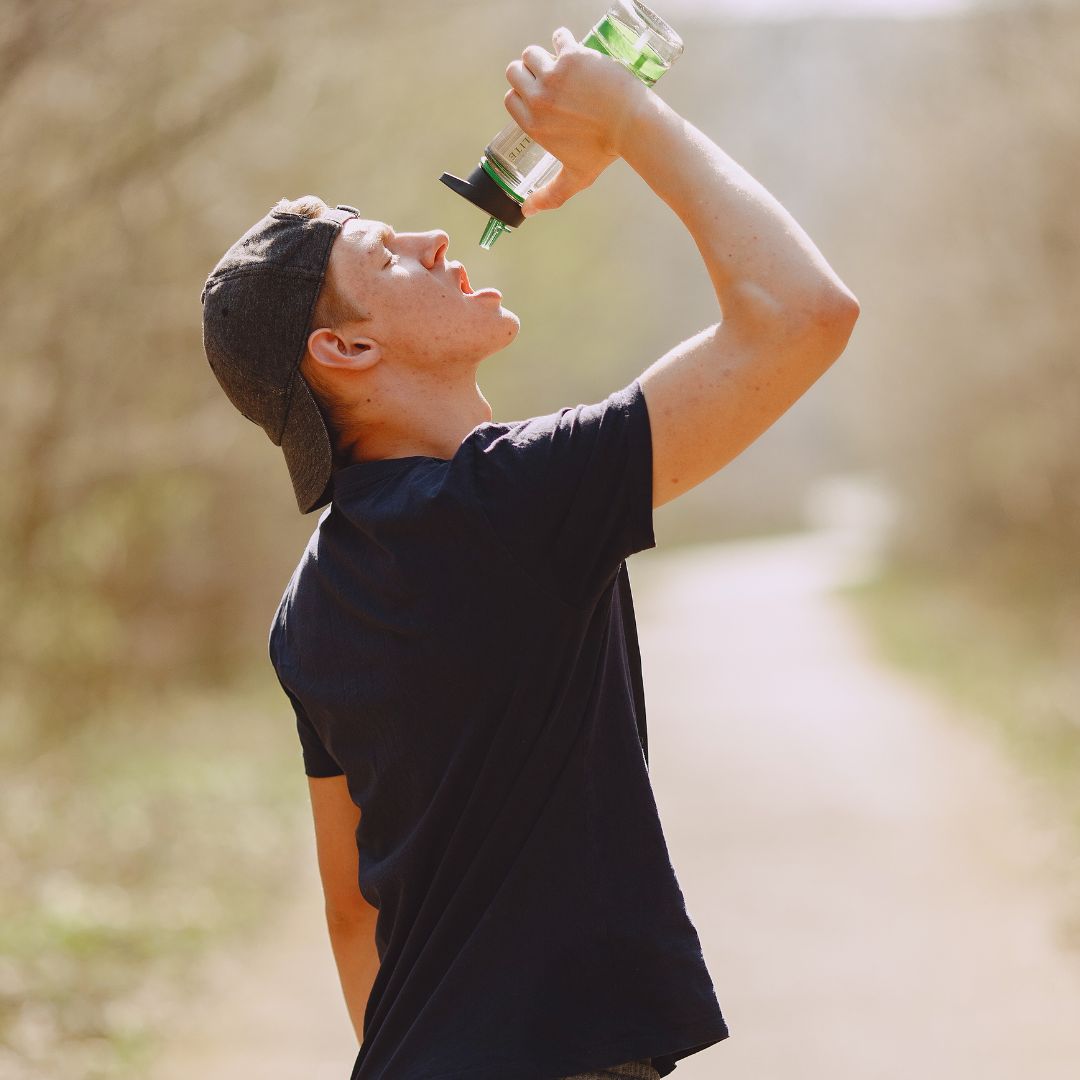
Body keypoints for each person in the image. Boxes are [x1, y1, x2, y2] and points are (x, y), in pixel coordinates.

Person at [199, 25, 858, 1080]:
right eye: (385, 254)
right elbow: (803, 314)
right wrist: (630, 120)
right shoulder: (509, 502)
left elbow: (351, 914)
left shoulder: (308, 605)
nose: (431, 239)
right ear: (348, 350)